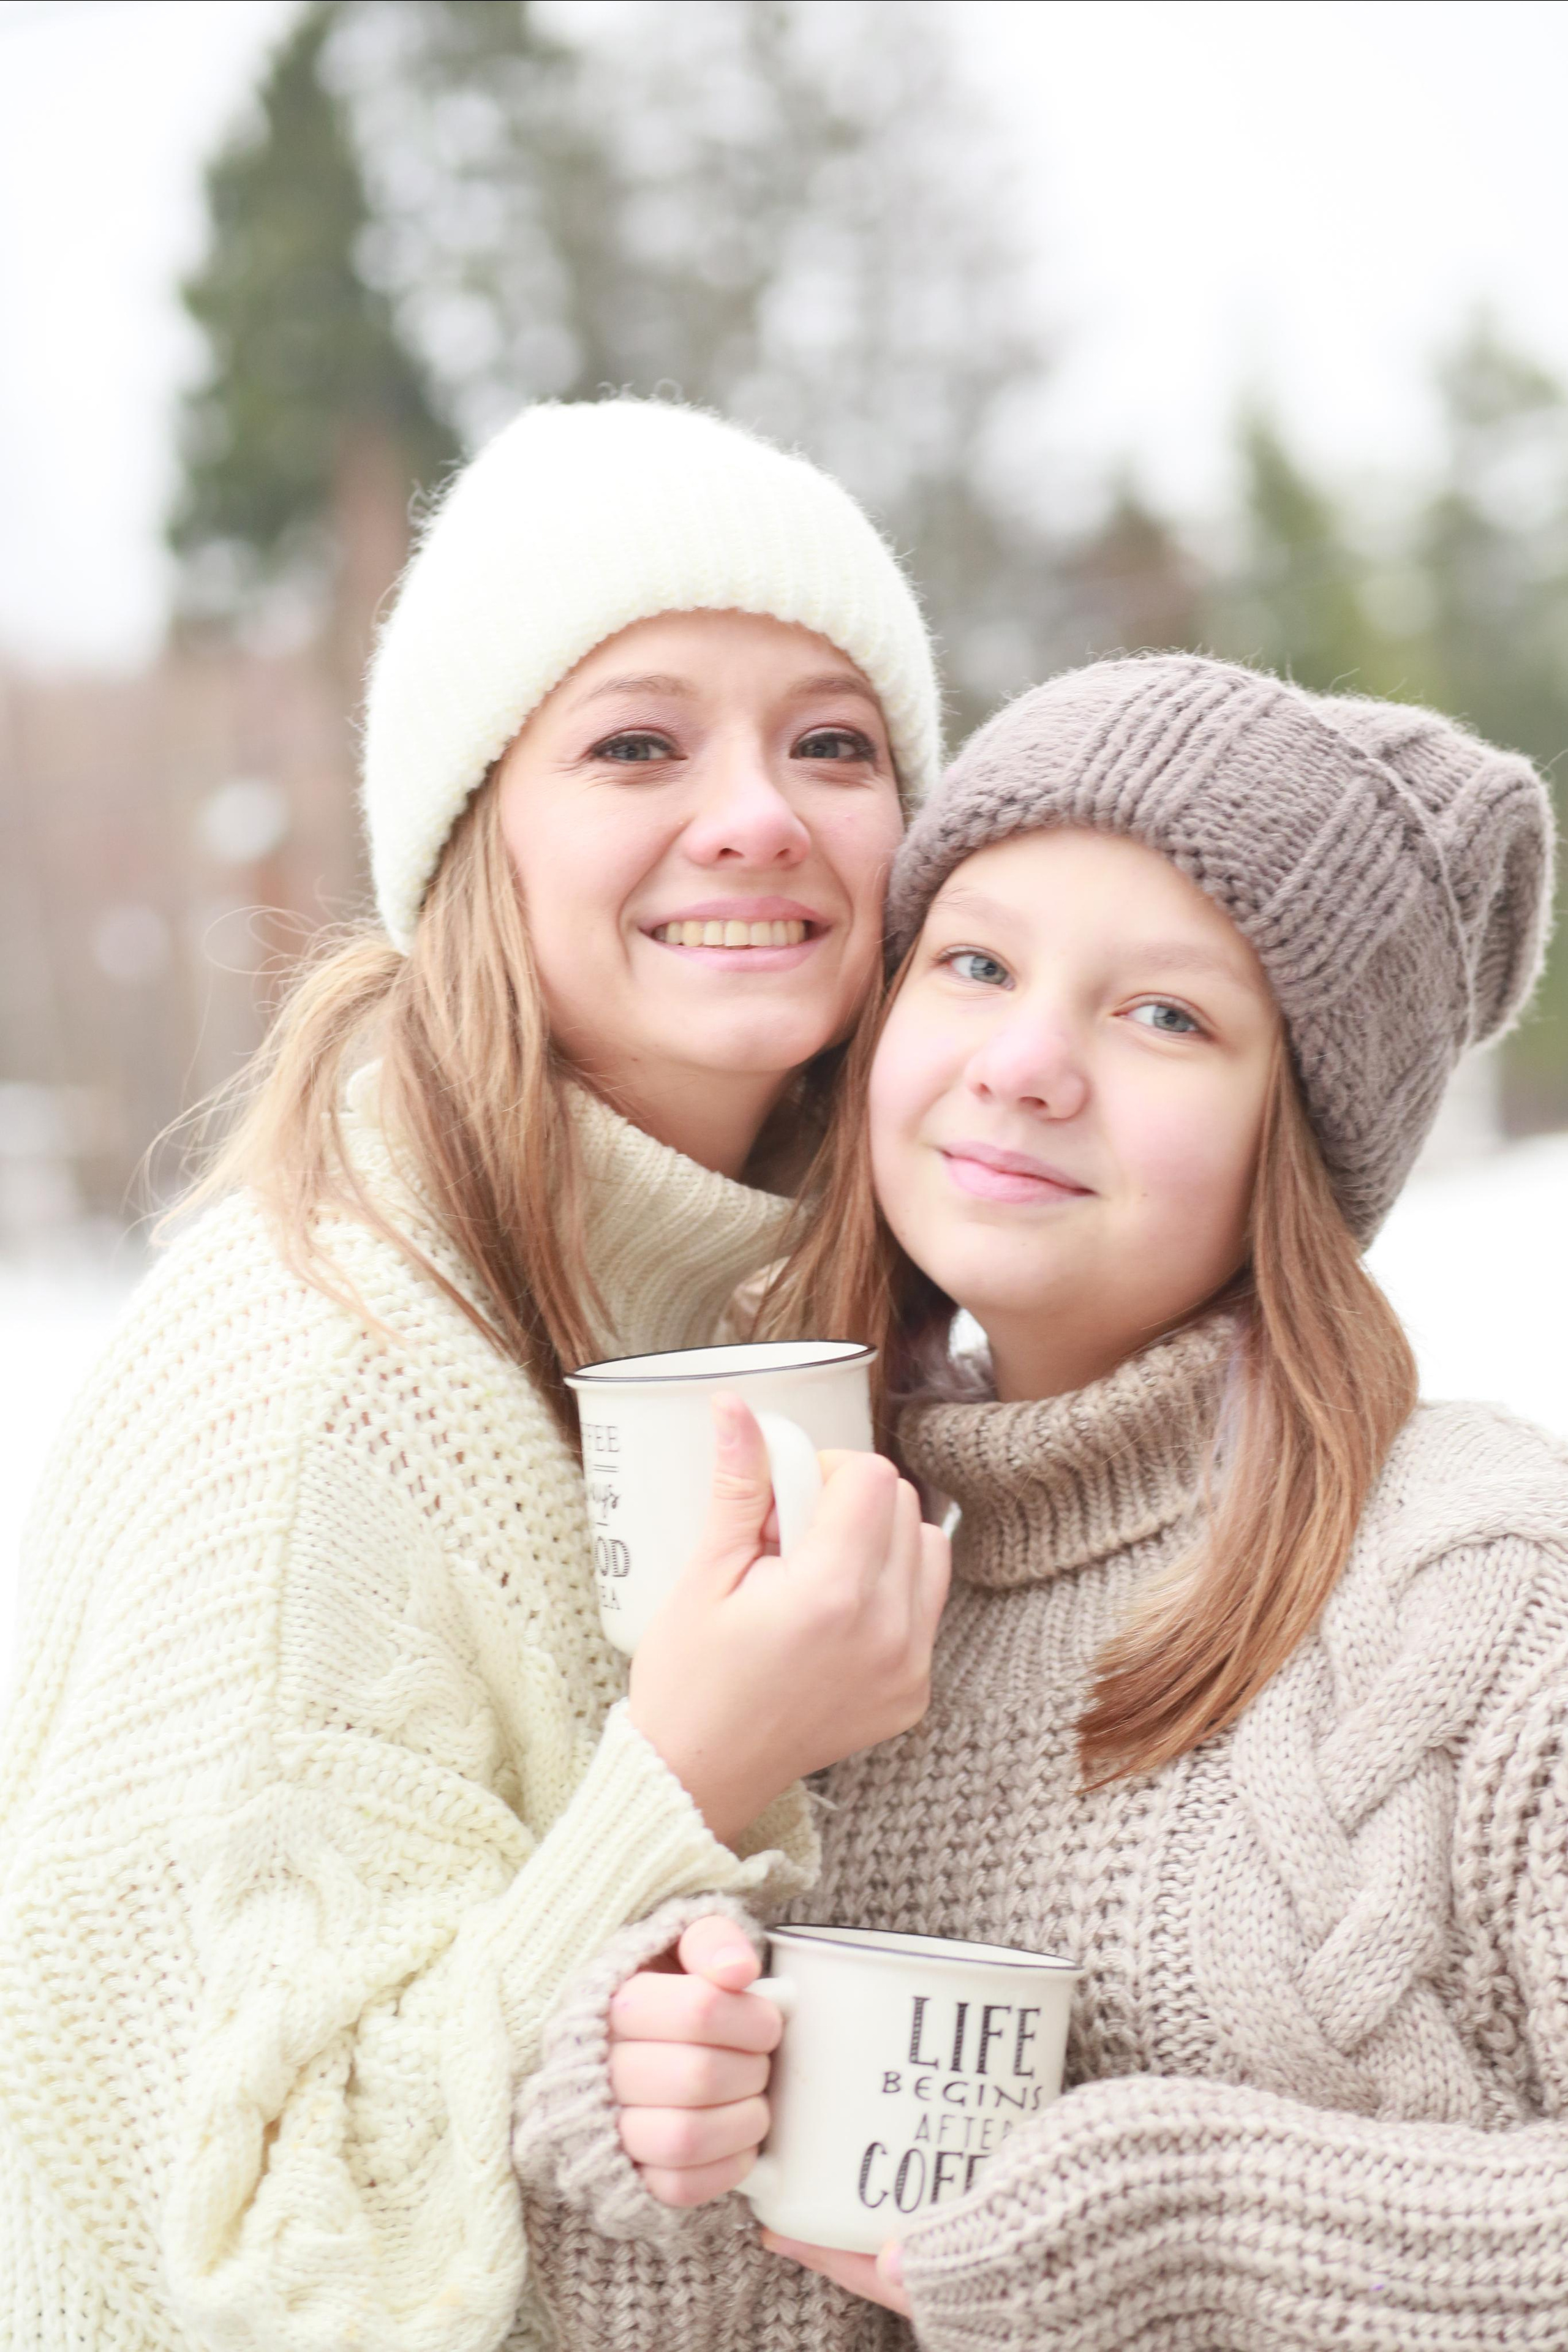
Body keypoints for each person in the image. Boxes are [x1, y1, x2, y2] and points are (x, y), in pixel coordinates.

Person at [0, 397, 951, 2351]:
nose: (760, 811)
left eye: (834, 744)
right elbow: (271, 2262)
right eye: (636, 743)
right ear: (470, 835)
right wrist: (691, 1768)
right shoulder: (314, 1392)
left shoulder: (761, 1308)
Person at [515, 652, 1568, 2350]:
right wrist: (647, 2111)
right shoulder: (777, 1574)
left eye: (1167, 1015)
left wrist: (1181, 2238)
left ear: (1294, 1136)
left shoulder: (1485, 1579)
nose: (1023, 1065)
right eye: (978, 963)